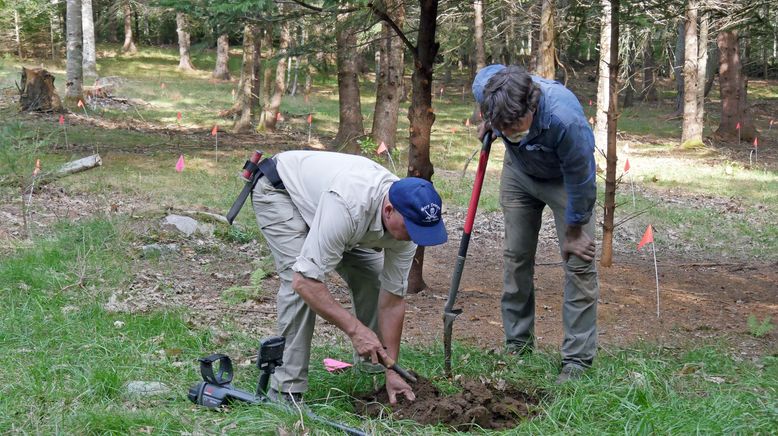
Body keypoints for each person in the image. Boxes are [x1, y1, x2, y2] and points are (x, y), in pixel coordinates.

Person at [251, 150, 447, 403]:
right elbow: (304, 282)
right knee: (299, 285)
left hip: (340, 216)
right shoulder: (349, 205)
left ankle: (376, 368)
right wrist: (355, 330)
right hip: (281, 191)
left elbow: (393, 300)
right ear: (389, 211)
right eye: (413, 230)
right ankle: (286, 390)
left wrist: (393, 368)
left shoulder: (409, 226)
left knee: (374, 279)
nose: (416, 238)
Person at [472, 65, 599, 383]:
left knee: (579, 263)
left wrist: (574, 231)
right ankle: (518, 345)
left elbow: (583, 180)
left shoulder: (565, 119)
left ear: (532, 104)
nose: (510, 132)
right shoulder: (486, 89)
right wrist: (488, 121)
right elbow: (485, 80)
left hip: (565, 182)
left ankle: (577, 362)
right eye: (504, 126)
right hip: (519, 175)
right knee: (516, 257)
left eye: (515, 125)